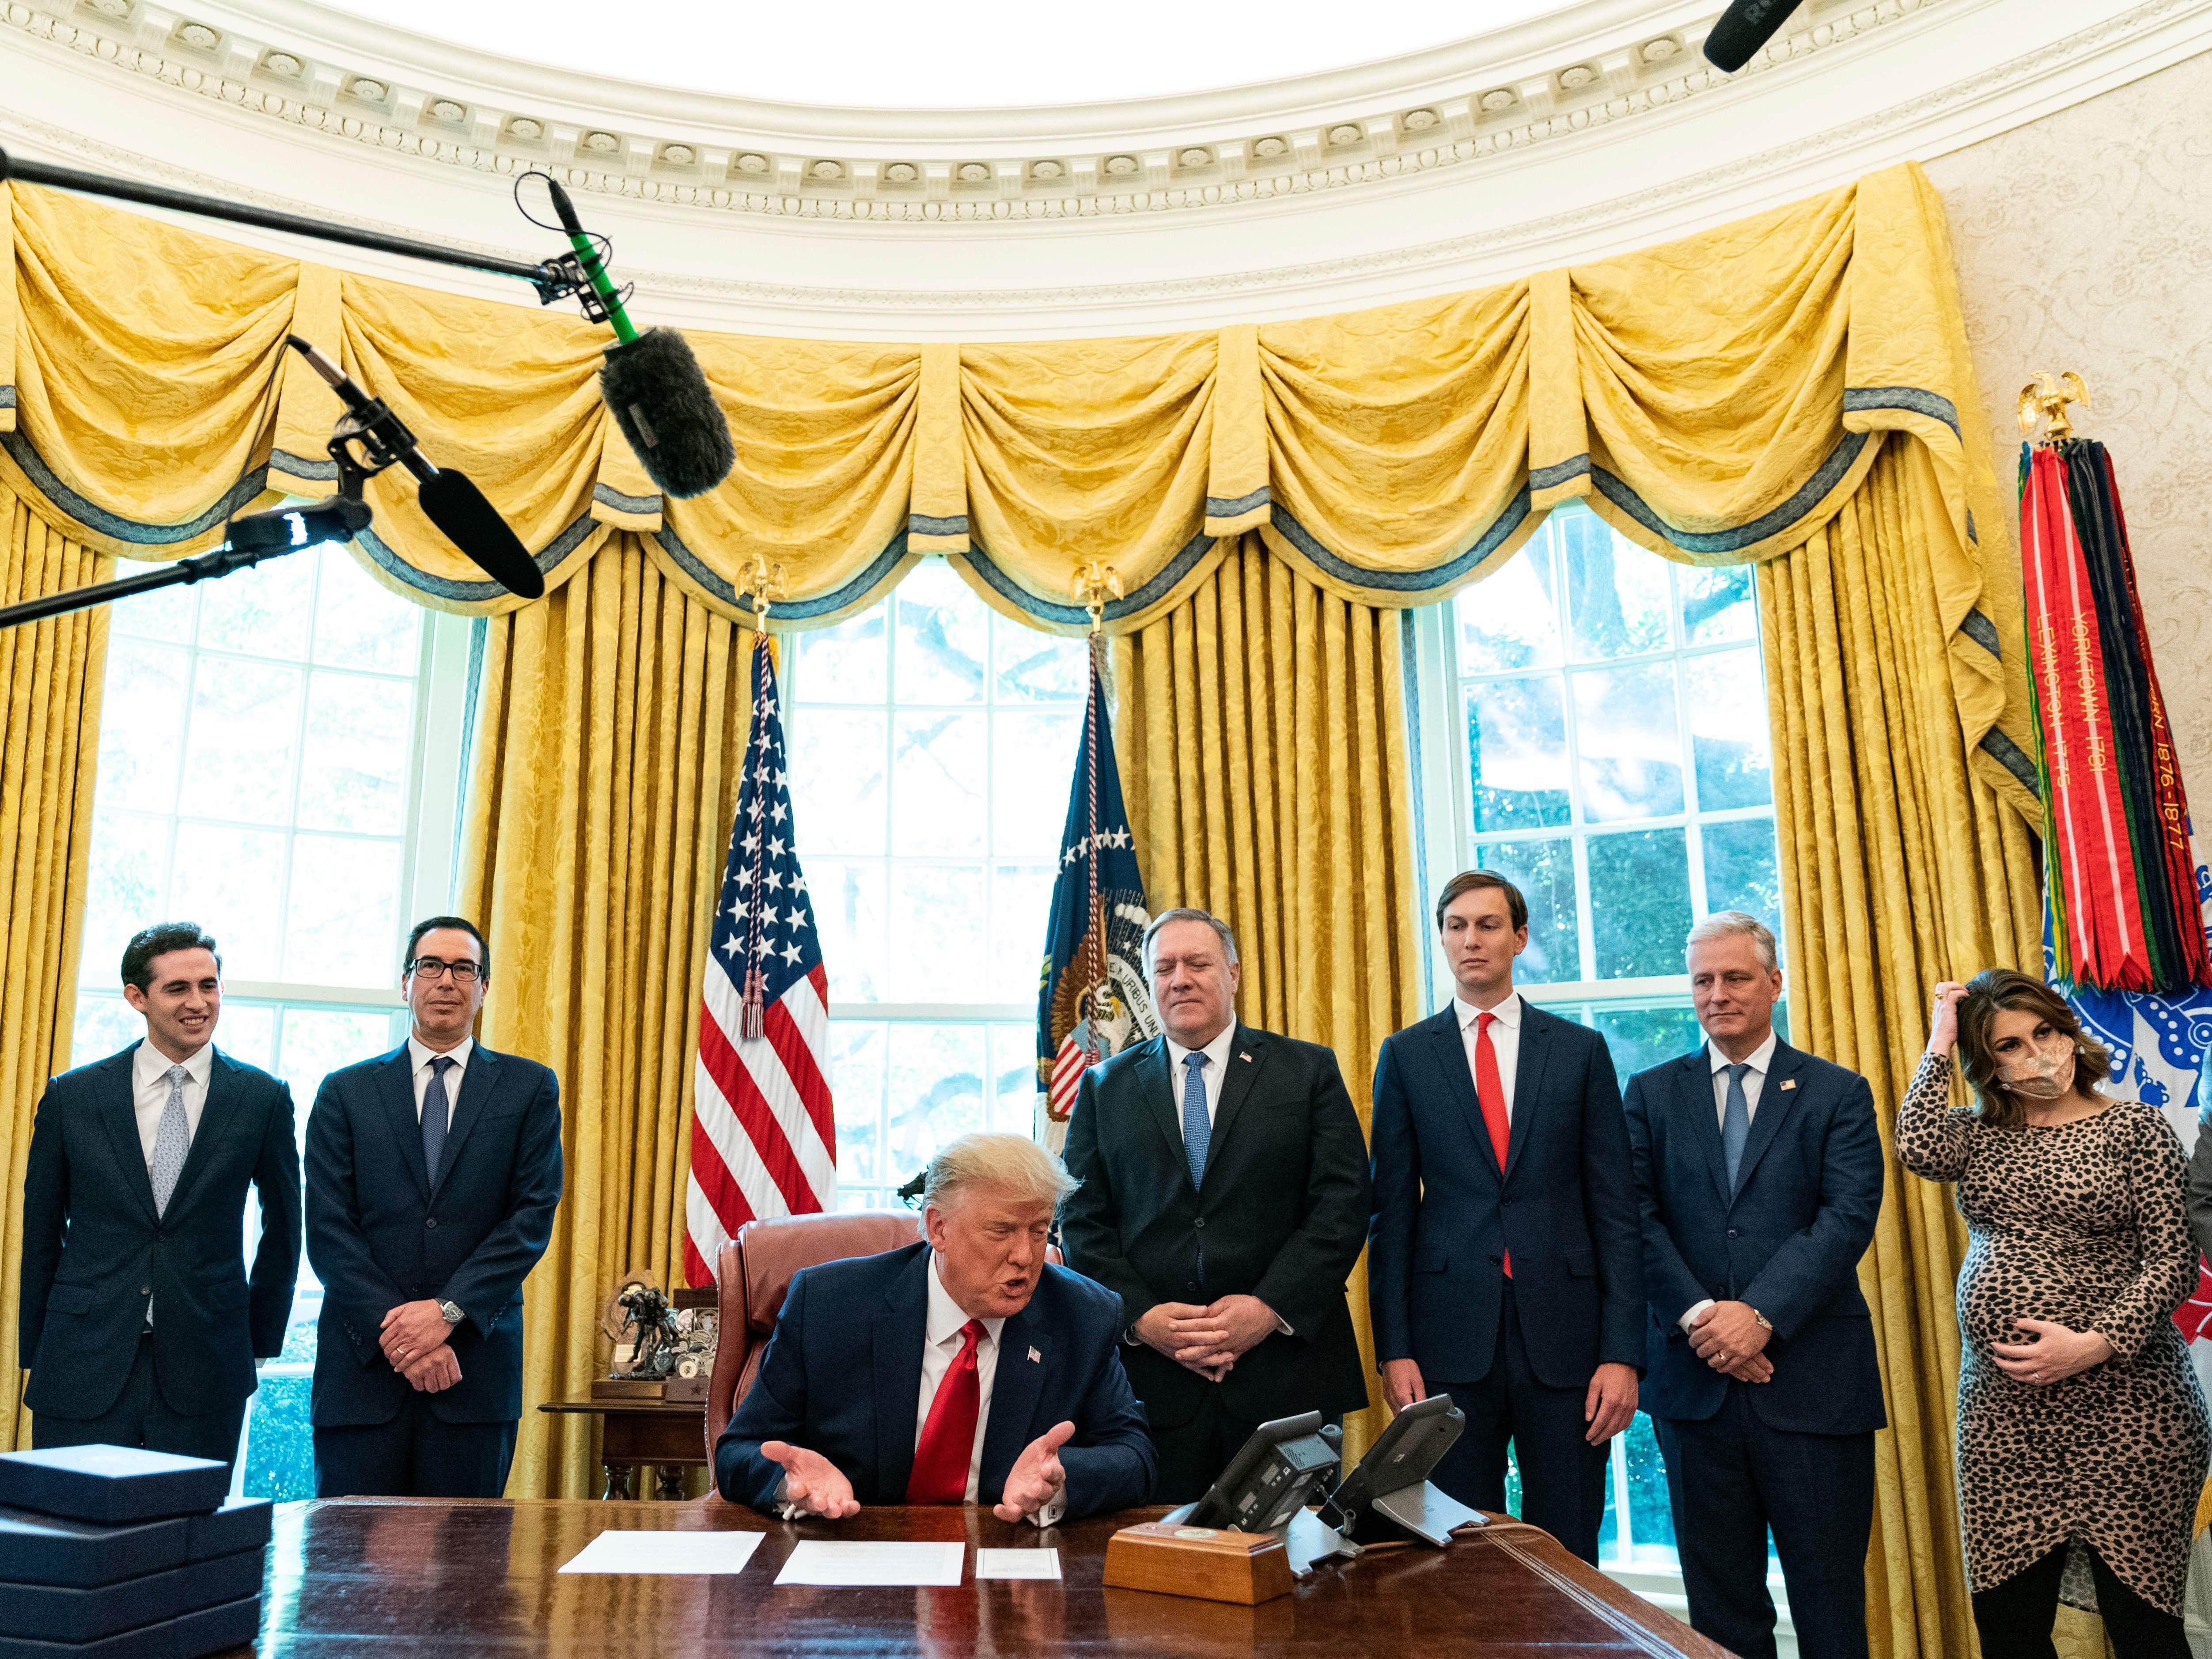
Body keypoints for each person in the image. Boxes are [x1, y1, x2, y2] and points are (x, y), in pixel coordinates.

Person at [1903, 970, 2207, 1659]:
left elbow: (2174, 1263)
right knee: (2008, 1631)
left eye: (2044, 1032)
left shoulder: (2134, 1127)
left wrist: (2093, 1344)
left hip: (2132, 1415)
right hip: (2004, 1424)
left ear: (2069, 1032)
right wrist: (1942, 1039)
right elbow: (1917, 1146)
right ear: (1988, 1064)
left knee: (2145, 1632)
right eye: (2008, 1046)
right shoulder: (1975, 1134)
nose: (2036, 1054)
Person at [1623, 912, 1885, 1659]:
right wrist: (1705, 1318)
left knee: (1830, 1606)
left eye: (1736, 977)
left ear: (1774, 983)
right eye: (1702, 980)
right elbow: (1631, 1217)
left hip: (1814, 1385)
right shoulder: (1649, 1093)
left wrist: (1760, 1315)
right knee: (1719, 1612)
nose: (1717, 994)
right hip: (1694, 1387)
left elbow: (1846, 1217)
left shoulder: (1837, 1091)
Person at [1367, 870, 1640, 1566]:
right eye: (1456, 927)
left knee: (1569, 1546)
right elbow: (1390, 1214)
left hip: (1568, 1341)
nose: (1471, 940)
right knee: (1457, 1552)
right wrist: (1394, 1349)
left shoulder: (1579, 1051)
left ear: (1519, 938)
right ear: (1442, 940)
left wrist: (1622, 1353)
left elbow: (1617, 1211)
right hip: (1447, 1342)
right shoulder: (1406, 1056)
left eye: (1488, 925)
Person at [1060, 908, 1372, 1504]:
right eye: (1164, 969)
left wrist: (1267, 1308)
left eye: (1197, 964)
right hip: (1154, 1384)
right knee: (1161, 1555)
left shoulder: (1307, 1070)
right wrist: (1143, 1319)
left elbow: (1343, 1203)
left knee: (1298, 1556)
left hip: (1287, 1374)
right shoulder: (1104, 1087)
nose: (1180, 979)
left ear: (1233, 973)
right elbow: (1081, 1220)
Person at [715, 1132, 1155, 1522]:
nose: (1024, 1255)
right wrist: (789, 1484)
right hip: (857, 1545)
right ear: (938, 1228)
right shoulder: (829, 1306)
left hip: (1005, 1554)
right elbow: (739, 1450)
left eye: (1039, 1231)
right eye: (1001, 1231)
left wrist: (1058, 1482)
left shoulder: (1083, 1315)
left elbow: (1135, 1456)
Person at [17, 923, 299, 1470]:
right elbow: (42, 1230)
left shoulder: (262, 1098)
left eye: (209, 986)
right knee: (71, 1517)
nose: (199, 1003)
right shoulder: (73, 1097)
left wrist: (259, 1340)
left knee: (187, 1520)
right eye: (178, 989)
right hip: (81, 1358)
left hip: (208, 1363)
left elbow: (285, 1229)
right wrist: (39, 1347)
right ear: (137, 997)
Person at [305, 916, 563, 1499]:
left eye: (464, 969)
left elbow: (530, 1219)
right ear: (406, 983)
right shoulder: (344, 1092)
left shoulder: (529, 1089)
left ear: (484, 988)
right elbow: (328, 1229)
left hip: (472, 1375)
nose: (446, 981)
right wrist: (404, 1338)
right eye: (430, 966)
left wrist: (447, 1313)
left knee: (468, 1555)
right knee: (347, 1554)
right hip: (362, 1374)